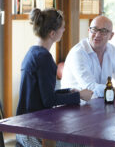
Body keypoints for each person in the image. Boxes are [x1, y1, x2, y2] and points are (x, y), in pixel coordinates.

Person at [16, 8, 93, 147]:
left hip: (24, 125)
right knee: (81, 142)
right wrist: (79, 95)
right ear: (52, 33)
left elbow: (42, 95)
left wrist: (68, 91)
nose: (64, 30)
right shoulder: (44, 58)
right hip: (33, 132)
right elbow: (49, 101)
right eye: (62, 28)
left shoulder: (33, 53)